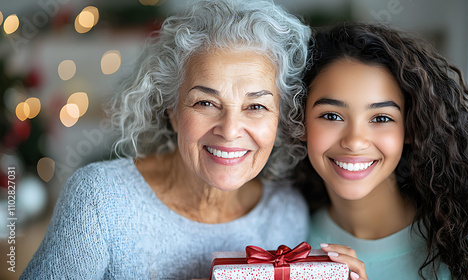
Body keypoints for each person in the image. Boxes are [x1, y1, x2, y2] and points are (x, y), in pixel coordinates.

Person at [21, 1, 311, 279]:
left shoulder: (285, 212)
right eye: (205, 103)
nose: (230, 129)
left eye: (256, 107)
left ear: (281, 118)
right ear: (171, 110)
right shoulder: (100, 200)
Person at [294, 23, 468, 279]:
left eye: (381, 118)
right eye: (332, 116)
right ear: (299, 122)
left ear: (412, 127)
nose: (355, 141)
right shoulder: (284, 238)